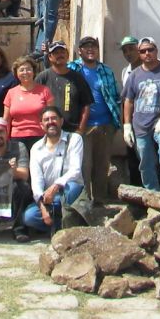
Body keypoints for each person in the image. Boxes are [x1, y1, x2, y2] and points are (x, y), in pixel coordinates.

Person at [122, 37, 160, 192]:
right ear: (139, 53)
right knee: (145, 160)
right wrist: (127, 125)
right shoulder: (134, 75)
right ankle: (152, 192)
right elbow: (128, 101)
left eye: (150, 49)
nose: (147, 53)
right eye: (143, 51)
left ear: (156, 50)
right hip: (140, 125)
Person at [70, 36, 120, 205]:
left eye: (94, 47)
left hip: (105, 125)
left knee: (102, 166)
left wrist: (116, 122)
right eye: (86, 47)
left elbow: (114, 96)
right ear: (79, 51)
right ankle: (83, 202)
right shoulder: (72, 68)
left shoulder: (106, 70)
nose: (90, 49)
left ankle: (99, 202)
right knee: (84, 166)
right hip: (82, 126)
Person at [23, 106, 84, 234]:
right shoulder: (36, 148)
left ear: (61, 121)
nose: (50, 122)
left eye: (54, 118)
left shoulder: (74, 139)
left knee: (72, 188)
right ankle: (59, 227)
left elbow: (75, 170)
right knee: (29, 217)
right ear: (41, 125)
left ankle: (68, 223)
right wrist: (43, 208)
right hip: (49, 199)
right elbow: (36, 181)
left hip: (69, 192)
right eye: (46, 120)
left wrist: (56, 186)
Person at [36, 40, 91, 134]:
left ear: (67, 55)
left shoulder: (77, 78)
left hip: (72, 132)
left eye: (62, 52)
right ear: (50, 57)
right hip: (48, 132)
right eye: (56, 53)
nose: (60, 55)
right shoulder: (42, 78)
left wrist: (80, 130)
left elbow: (86, 105)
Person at [1, 56, 50, 150]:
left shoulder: (45, 91)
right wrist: (5, 139)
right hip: (16, 139)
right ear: (16, 73)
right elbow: (6, 119)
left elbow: (51, 116)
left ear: (34, 71)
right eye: (21, 70)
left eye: (28, 69)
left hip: (40, 137)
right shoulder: (11, 93)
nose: (25, 72)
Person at [118, 35, 143, 187]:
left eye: (131, 49)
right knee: (133, 158)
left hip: (147, 119)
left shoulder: (148, 68)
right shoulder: (125, 72)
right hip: (130, 120)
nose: (128, 53)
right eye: (125, 51)